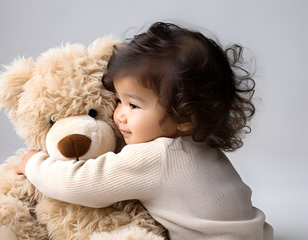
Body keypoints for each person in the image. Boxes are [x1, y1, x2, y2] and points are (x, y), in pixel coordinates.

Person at [16, 22, 273, 239]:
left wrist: (34, 164)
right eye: (118, 101)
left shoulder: (157, 156)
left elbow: (81, 184)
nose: (119, 115)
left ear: (183, 117)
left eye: (133, 105)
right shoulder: (198, 143)